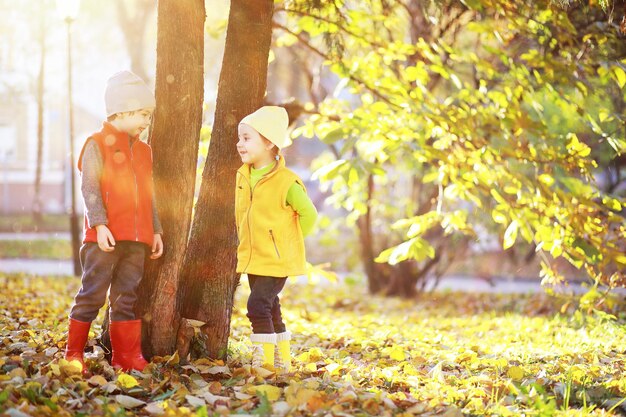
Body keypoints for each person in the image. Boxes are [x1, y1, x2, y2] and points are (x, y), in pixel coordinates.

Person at [64, 71, 164, 374]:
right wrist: (100, 224)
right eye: (143, 114)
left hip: (137, 241)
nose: (147, 121)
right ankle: (73, 355)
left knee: (126, 298)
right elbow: (89, 187)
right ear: (123, 109)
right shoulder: (97, 143)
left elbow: (149, 195)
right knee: (92, 295)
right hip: (103, 239)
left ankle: (127, 356)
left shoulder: (144, 151)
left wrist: (155, 230)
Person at [235, 106, 318, 373]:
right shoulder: (244, 176)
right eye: (240, 138)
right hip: (255, 256)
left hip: (277, 259)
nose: (240, 144)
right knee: (271, 306)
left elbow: (309, 214)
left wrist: (288, 242)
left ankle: (265, 364)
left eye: (247, 138)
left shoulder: (286, 182)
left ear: (269, 142)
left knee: (257, 305)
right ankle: (282, 362)